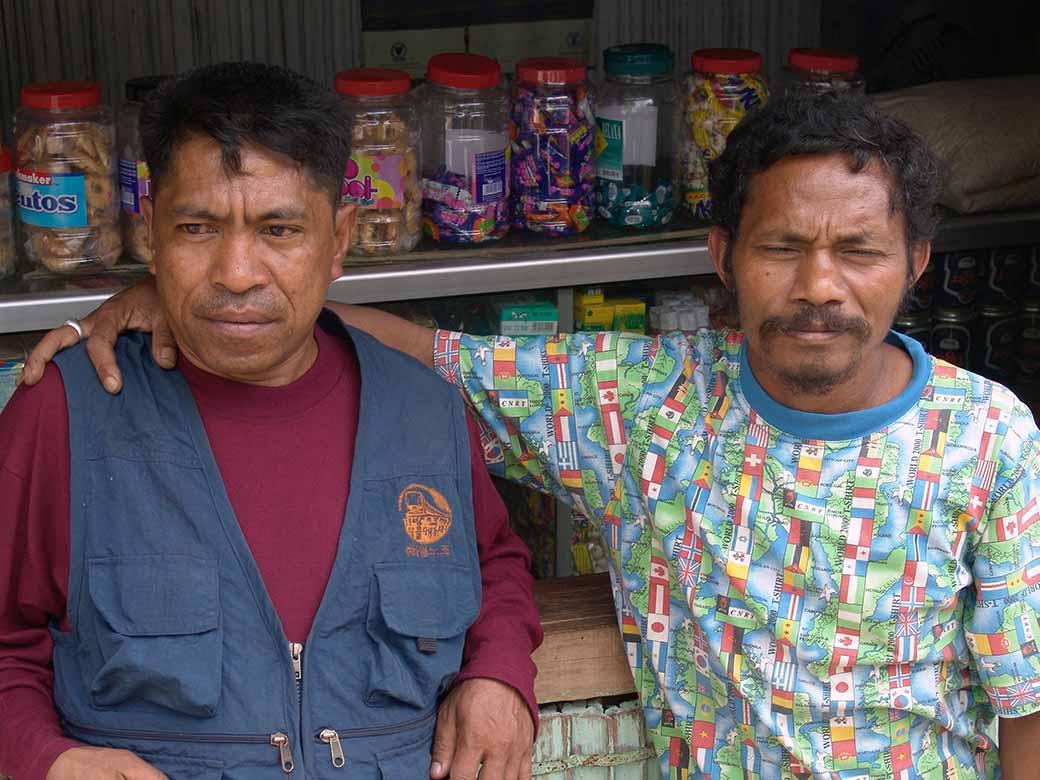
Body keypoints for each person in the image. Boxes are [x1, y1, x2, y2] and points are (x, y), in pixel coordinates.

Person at [22, 92, 1040, 778]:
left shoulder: (989, 439)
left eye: (857, 250)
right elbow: (403, 350)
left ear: (915, 261)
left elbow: (1025, 702)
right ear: (723, 254)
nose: (817, 285)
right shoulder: (636, 405)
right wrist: (166, 290)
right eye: (781, 246)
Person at [0, 62, 542, 780]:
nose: (236, 271)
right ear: (151, 232)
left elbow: (494, 561)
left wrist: (501, 675)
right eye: (197, 227)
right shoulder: (64, 413)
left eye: (279, 229)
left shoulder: (423, 411)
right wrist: (50, 759)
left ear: (340, 238)